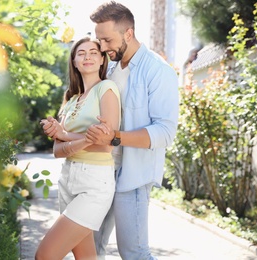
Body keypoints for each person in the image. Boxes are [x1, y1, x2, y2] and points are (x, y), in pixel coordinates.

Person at [86, 1, 180, 259]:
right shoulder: (112, 69)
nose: (102, 48)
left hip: (133, 177)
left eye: (107, 40)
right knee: (89, 248)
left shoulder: (158, 71)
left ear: (128, 33)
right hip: (102, 171)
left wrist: (115, 137)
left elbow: (164, 132)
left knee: (134, 253)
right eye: (99, 40)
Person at [35, 36, 121, 260]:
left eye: (94, 52)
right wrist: (82, 139)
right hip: (68, 179)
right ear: (74, 61)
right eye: (81, 53)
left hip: (94, 182)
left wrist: (66, 136)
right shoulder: (71, 99)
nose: (88, 57)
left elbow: (105, 145)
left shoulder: (107, 89)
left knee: (45, 255)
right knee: (85, 257)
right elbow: (57, 150)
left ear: (103, 60)